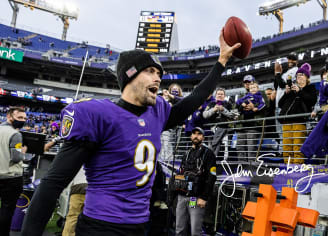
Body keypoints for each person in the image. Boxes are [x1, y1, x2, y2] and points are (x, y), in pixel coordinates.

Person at [21, 31, 241, 236]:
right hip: (101, 226)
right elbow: (53, 183)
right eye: (150, 71)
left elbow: (193, 100)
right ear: (130, 76)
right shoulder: (98, 114)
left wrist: (221, 62)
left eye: (159, 73)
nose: (157, 78)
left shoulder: (157, 113)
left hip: (138, 225)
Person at [175, 127, 216, 236]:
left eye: (199, 134)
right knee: (179, 229)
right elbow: (181, 173)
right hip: (182, 196)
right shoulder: (186, 153)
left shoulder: (208, 154)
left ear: (203, 137)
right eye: (194, 134)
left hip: (196, 198)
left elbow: (211, 177)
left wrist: (204, 197)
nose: (196, 136)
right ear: (190, 136)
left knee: (195, 232)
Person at [277, 63, 317, 164]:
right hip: (286, 122)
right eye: (297, 75)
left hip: (299, 122)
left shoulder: (310, 88)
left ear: (307, 77)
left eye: (301, 75)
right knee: (286, 148)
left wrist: (300, 91)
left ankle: (297, 170)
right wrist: (286, 93)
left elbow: (311, 101)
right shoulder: (292, 89)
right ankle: (287, 168)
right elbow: (280, 104)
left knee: (297, 147)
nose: (298, 77)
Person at [0, 106, 28, 236]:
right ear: (9, 116)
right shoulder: (15, 134)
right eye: (20, 117)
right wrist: (23, 152)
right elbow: (16, 157)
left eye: (24, 118)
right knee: (7, 210)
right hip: (11, 178)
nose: (22, 120)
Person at [236, 81, 266, 162]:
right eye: (251, 88)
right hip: (242, 125)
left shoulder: (260, 96)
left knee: (251, 147)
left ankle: (252, 167)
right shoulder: (246, 96)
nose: (252, 89)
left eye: (254, 87)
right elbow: (237, 103)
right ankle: (242, 166)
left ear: (258, 88)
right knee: (240, 147)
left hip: (253, 125)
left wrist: (255, 108)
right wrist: (241, 104)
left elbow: (263, 104)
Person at [203, 88, 236, 159]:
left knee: (225, 147)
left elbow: (234, 116)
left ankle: (223, 160)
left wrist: (223, 110)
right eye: (218, 94)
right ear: (215, 95)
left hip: (225, 129)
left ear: (224, 96)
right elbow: (204, 115)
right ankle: (211, 160)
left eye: (222, 94)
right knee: (212, 146)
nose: (220, 95)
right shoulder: (211, 103)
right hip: (212, 130)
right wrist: (213, 110)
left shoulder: (229, 104)